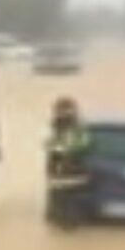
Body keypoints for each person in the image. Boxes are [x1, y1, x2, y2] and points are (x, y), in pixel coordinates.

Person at [44, 97, 92, 229]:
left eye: (58, 110)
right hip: (64, 179)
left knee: (65, 218)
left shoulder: (72, 130)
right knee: (61, 219)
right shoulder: (66, 129)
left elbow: (71, 152)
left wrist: (57, 171)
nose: (56, 113)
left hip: (68, 179)